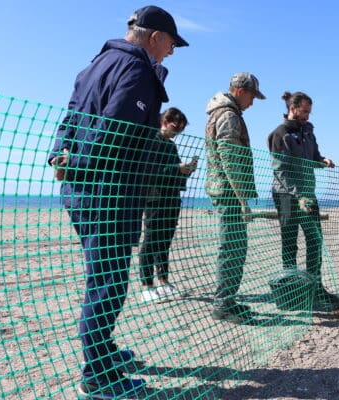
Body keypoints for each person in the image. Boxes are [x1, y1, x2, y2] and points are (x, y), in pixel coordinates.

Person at [47, 5, 188, 398]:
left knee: (101, 276)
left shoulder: (94, 64)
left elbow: (70, 116)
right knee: (107, 282)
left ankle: (104, 352)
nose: (172, 52)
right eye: (172, 44)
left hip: (79, 190)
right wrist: (80, 160)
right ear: (155, 37)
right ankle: (98, 377)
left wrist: (61, 155)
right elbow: (117, 129)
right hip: (111, 190)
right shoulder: (137, 69)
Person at [267, 91, 339, 311]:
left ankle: (316, 288)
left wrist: (323, 161)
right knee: (290, 243)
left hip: (309, 193)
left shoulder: (309, 131)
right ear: (293, 108)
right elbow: (281, 170)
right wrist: (298, 195)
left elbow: (313, 157)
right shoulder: (279, 134)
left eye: (310, 112)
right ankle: (290, 291)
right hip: (286, 195)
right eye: (305, 111)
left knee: (315, 240)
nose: (308, 116)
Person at [205, 72, 265, 323]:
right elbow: (229, 160)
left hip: (228, 191)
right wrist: (242, 200)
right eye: (252, 97)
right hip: (229, 193)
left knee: (236, 249)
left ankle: (229, 300)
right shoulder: (228, 116)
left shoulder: (225, 113)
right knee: (232, 249)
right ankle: (223, 305)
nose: (252, 103)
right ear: (241, 91)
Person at [139, 107, 197, 303]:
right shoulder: (150, 141)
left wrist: (186, 170)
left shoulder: (171, 146)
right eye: (175, 127)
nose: (177, 132)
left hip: (172, 198)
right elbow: (151, 172)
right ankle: (147, 285)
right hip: (154, 197)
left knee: (165, 241)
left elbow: (173, 172)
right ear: (164, 121)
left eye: (180, 129)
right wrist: (176, 168)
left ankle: (164, 281)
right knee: (150, 240)